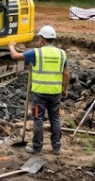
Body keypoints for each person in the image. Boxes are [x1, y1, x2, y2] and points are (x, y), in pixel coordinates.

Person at [8, 25, 70, 155]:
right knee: (55, 119)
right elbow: (66, 74)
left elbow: (15, 56)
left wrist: (11, 46)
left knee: (38, 119)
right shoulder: (62, 53)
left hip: (40, 93)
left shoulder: (36, 53)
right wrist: (64, 89)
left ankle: (37, 148)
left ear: (42, 39)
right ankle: (56, 147)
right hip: (55, 93)